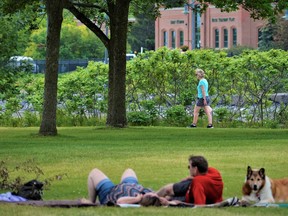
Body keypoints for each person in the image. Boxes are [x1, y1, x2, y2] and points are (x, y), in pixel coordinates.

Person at [157, 155, 224, 205]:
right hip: (210, 198)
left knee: (167, 191)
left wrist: (171, 203)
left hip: (187, 198)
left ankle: (152, 196)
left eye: (189, 167)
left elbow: (199, 205)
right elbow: (205, 178)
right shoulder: (214, 171)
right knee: (169, 195)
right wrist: (192, 177)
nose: (189, 169)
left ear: (195, 169)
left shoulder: (198, 182)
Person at [87, 167, 172, 206]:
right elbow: (171, 199)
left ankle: (91, 203)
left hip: (110, 192)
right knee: (129, 170)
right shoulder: (149, 196)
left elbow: (120, 201)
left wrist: (136, 199)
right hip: (130, 185)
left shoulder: (136, 200)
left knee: (94, 172)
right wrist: (166, 201)